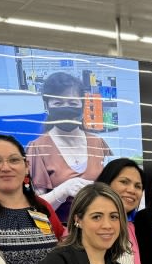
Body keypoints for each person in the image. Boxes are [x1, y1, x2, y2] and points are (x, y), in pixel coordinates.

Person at [0, 134, 65, 264]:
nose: (5, 167)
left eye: (14, 160)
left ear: (27, 166)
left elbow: (62, 249)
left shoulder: (43, 207)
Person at [27, 71, 112, 221]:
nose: (66, 108)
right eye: (58, 103)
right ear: (47, 105)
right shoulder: (37, 149)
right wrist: (63, 190)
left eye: (72, 103)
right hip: (61, 235)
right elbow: (36, 209)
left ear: (82, 104)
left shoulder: (98, 144)